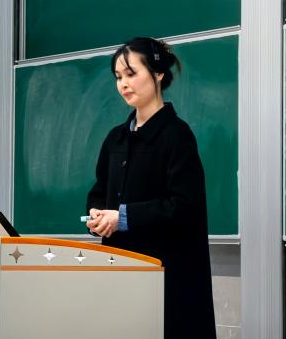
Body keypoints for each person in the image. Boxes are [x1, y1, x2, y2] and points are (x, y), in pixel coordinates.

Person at [85, 37, 216, 339]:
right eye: (118, 77)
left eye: (131, 74)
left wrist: (122, 218)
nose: (123, 84)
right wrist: (95, 214)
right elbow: (99, 192)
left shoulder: (176, 135)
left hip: (167, 275)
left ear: (157, 74)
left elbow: (184, 206)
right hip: (120, 269)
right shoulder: (116, 138)